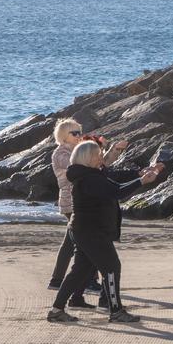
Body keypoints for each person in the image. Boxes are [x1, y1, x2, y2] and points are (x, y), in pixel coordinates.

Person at [47, 140, 161, 324]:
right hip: (91, 231)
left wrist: (139, 174)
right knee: (111, 267)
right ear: (88, 158)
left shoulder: (92, 174)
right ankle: (115, 310)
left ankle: (56, 310)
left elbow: (115, 180)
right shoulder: (88, 178)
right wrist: (141, 181)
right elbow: (117, 191)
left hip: (85, 229)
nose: (101, 157)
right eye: (98, 155)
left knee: (80, 270)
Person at [48, 119, 126, 307]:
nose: (79, 136)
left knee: (77, 245)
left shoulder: (79, 151)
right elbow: (86, 167)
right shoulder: (61, 153)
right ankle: (71, 286)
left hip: (83, 202)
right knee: (81, 244)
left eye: (79, 132)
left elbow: (99, 166)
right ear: (64, 135)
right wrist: (93, 148)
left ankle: (72, 290)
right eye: (74, 133)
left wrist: (113, 150)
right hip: (72, 203)